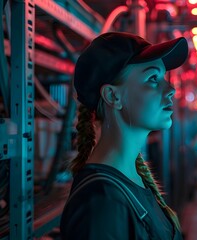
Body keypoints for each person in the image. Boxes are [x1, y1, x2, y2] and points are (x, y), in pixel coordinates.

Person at [60, 31, 188, 240]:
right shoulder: (101, 203)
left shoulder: (130, 179)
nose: (171, 88)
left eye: (163, 77)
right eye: (153, 78)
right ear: (113, 96)